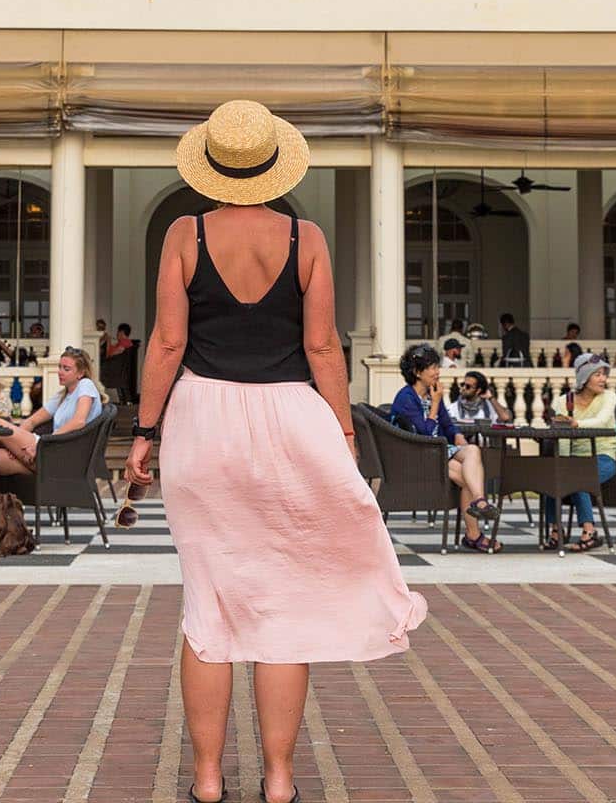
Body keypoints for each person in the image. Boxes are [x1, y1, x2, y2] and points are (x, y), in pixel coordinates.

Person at [123, 101, 426, 803]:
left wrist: (145, 430)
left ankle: (205, 779)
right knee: (283, 607)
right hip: (293, 418)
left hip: (202, 419)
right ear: (272, 163)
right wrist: (345, 436)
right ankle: (281, 779)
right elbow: (323, 346)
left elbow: (167, 342)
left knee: (210, 605)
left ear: (212, 165)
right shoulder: (307, 237)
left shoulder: (184, 232)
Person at [390, 343, 499, 553]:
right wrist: (436, 403)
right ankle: (475, 530)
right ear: (416, 372)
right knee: (469, 472)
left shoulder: (431, 393)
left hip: (436, 453)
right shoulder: (405, 398)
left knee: (471, 455)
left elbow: (447, 425)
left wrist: (458, 436)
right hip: (417, 457)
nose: (437, 371)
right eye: (432, 367)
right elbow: (424, 435)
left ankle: (478, 507)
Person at [542, 353, 616, 553]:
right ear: (584, 378)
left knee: (580, 477)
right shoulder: (562, 402)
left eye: (604, 374)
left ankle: (589, 532)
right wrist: (564, 463)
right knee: (553, 474)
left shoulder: (609, 397)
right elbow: (562, 437)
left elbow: (602, 421)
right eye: (598, 374)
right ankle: (556, 531)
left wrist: (576, 424)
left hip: (604, 455)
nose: (603, 379)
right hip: (576, 457)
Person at [0, 346, 105, 477]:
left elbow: (78, 421)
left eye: (66, 369)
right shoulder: (64, 394)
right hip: (51, 450)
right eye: (60, 367)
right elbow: (32, 421)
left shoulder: (86, 385)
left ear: (81, 373)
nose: (60, 372)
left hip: (61, 454)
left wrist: (43, 444)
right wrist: (13, 444)